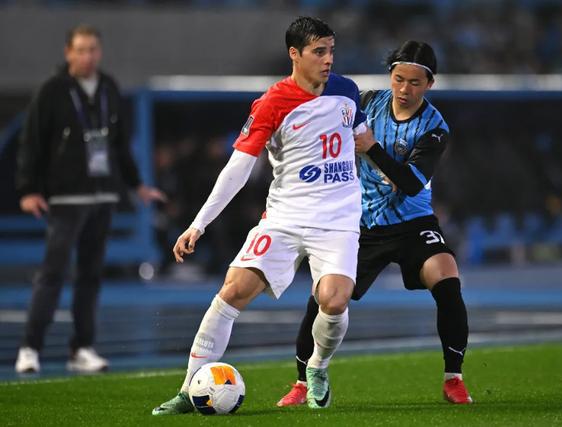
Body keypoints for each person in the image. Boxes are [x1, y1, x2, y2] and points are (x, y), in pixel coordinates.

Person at [152, 16, 371, 415]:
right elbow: (237, 169)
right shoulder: (272, 102)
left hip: (337, 219)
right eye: (319, 52)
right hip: (285, 217)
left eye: (331, 51)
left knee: (334, 300)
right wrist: (199, 224)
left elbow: (361, 138)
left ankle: (317, 368)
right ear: (295, 54)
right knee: (233, 290)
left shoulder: (347, 91)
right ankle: (188, 390)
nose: (328, 60)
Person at [276, 40, 473, 406]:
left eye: (415, 82)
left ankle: (454, 378)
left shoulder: (435, 127)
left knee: (447, 277)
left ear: (430, 84)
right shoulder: (366, 102)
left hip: (413, 222)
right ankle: (302, 382)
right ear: (390, 76)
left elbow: (411, 182)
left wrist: (371, 147)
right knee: (324, 297)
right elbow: (323, 98)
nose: (404, 89)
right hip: (362, 222)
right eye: (399, 79)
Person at [14, 25, 166, 374]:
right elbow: (31, 142)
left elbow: (119, 143)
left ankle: (82, 347)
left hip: (103, 195)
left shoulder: (108, 87)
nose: (87, 56)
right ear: (68, 52)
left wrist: (136, 184)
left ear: (100, 51)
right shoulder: (52, 91)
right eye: (81, 50)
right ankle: (30, 347)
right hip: (66, 197)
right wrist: (28, 190)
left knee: (91, 276)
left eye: (93, 49)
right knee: (52, 273)